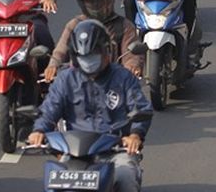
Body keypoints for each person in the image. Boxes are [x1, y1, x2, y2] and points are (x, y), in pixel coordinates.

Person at [29, 20, 153, 192]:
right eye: (84, 57)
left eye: (94, 55)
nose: (89, 62)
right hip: (74, 152)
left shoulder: (123, 78)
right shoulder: (66, 79)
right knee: (54, 184)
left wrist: (135, 135)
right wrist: (39, 131)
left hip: (115, 149)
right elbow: (50, 108)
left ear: (106, 52)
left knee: (127, 178)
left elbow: (141, 108)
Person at [46, 0, 142, 80]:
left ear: (110, 0)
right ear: (83, 3)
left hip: (113, 83)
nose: (96, 7)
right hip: (77, 83)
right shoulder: (74, 24)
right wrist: (53, 65)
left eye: (100, 2)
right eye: (91, 2)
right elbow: (61, 50)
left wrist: (132, 66)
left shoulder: (124, 26)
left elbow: (131, 54)